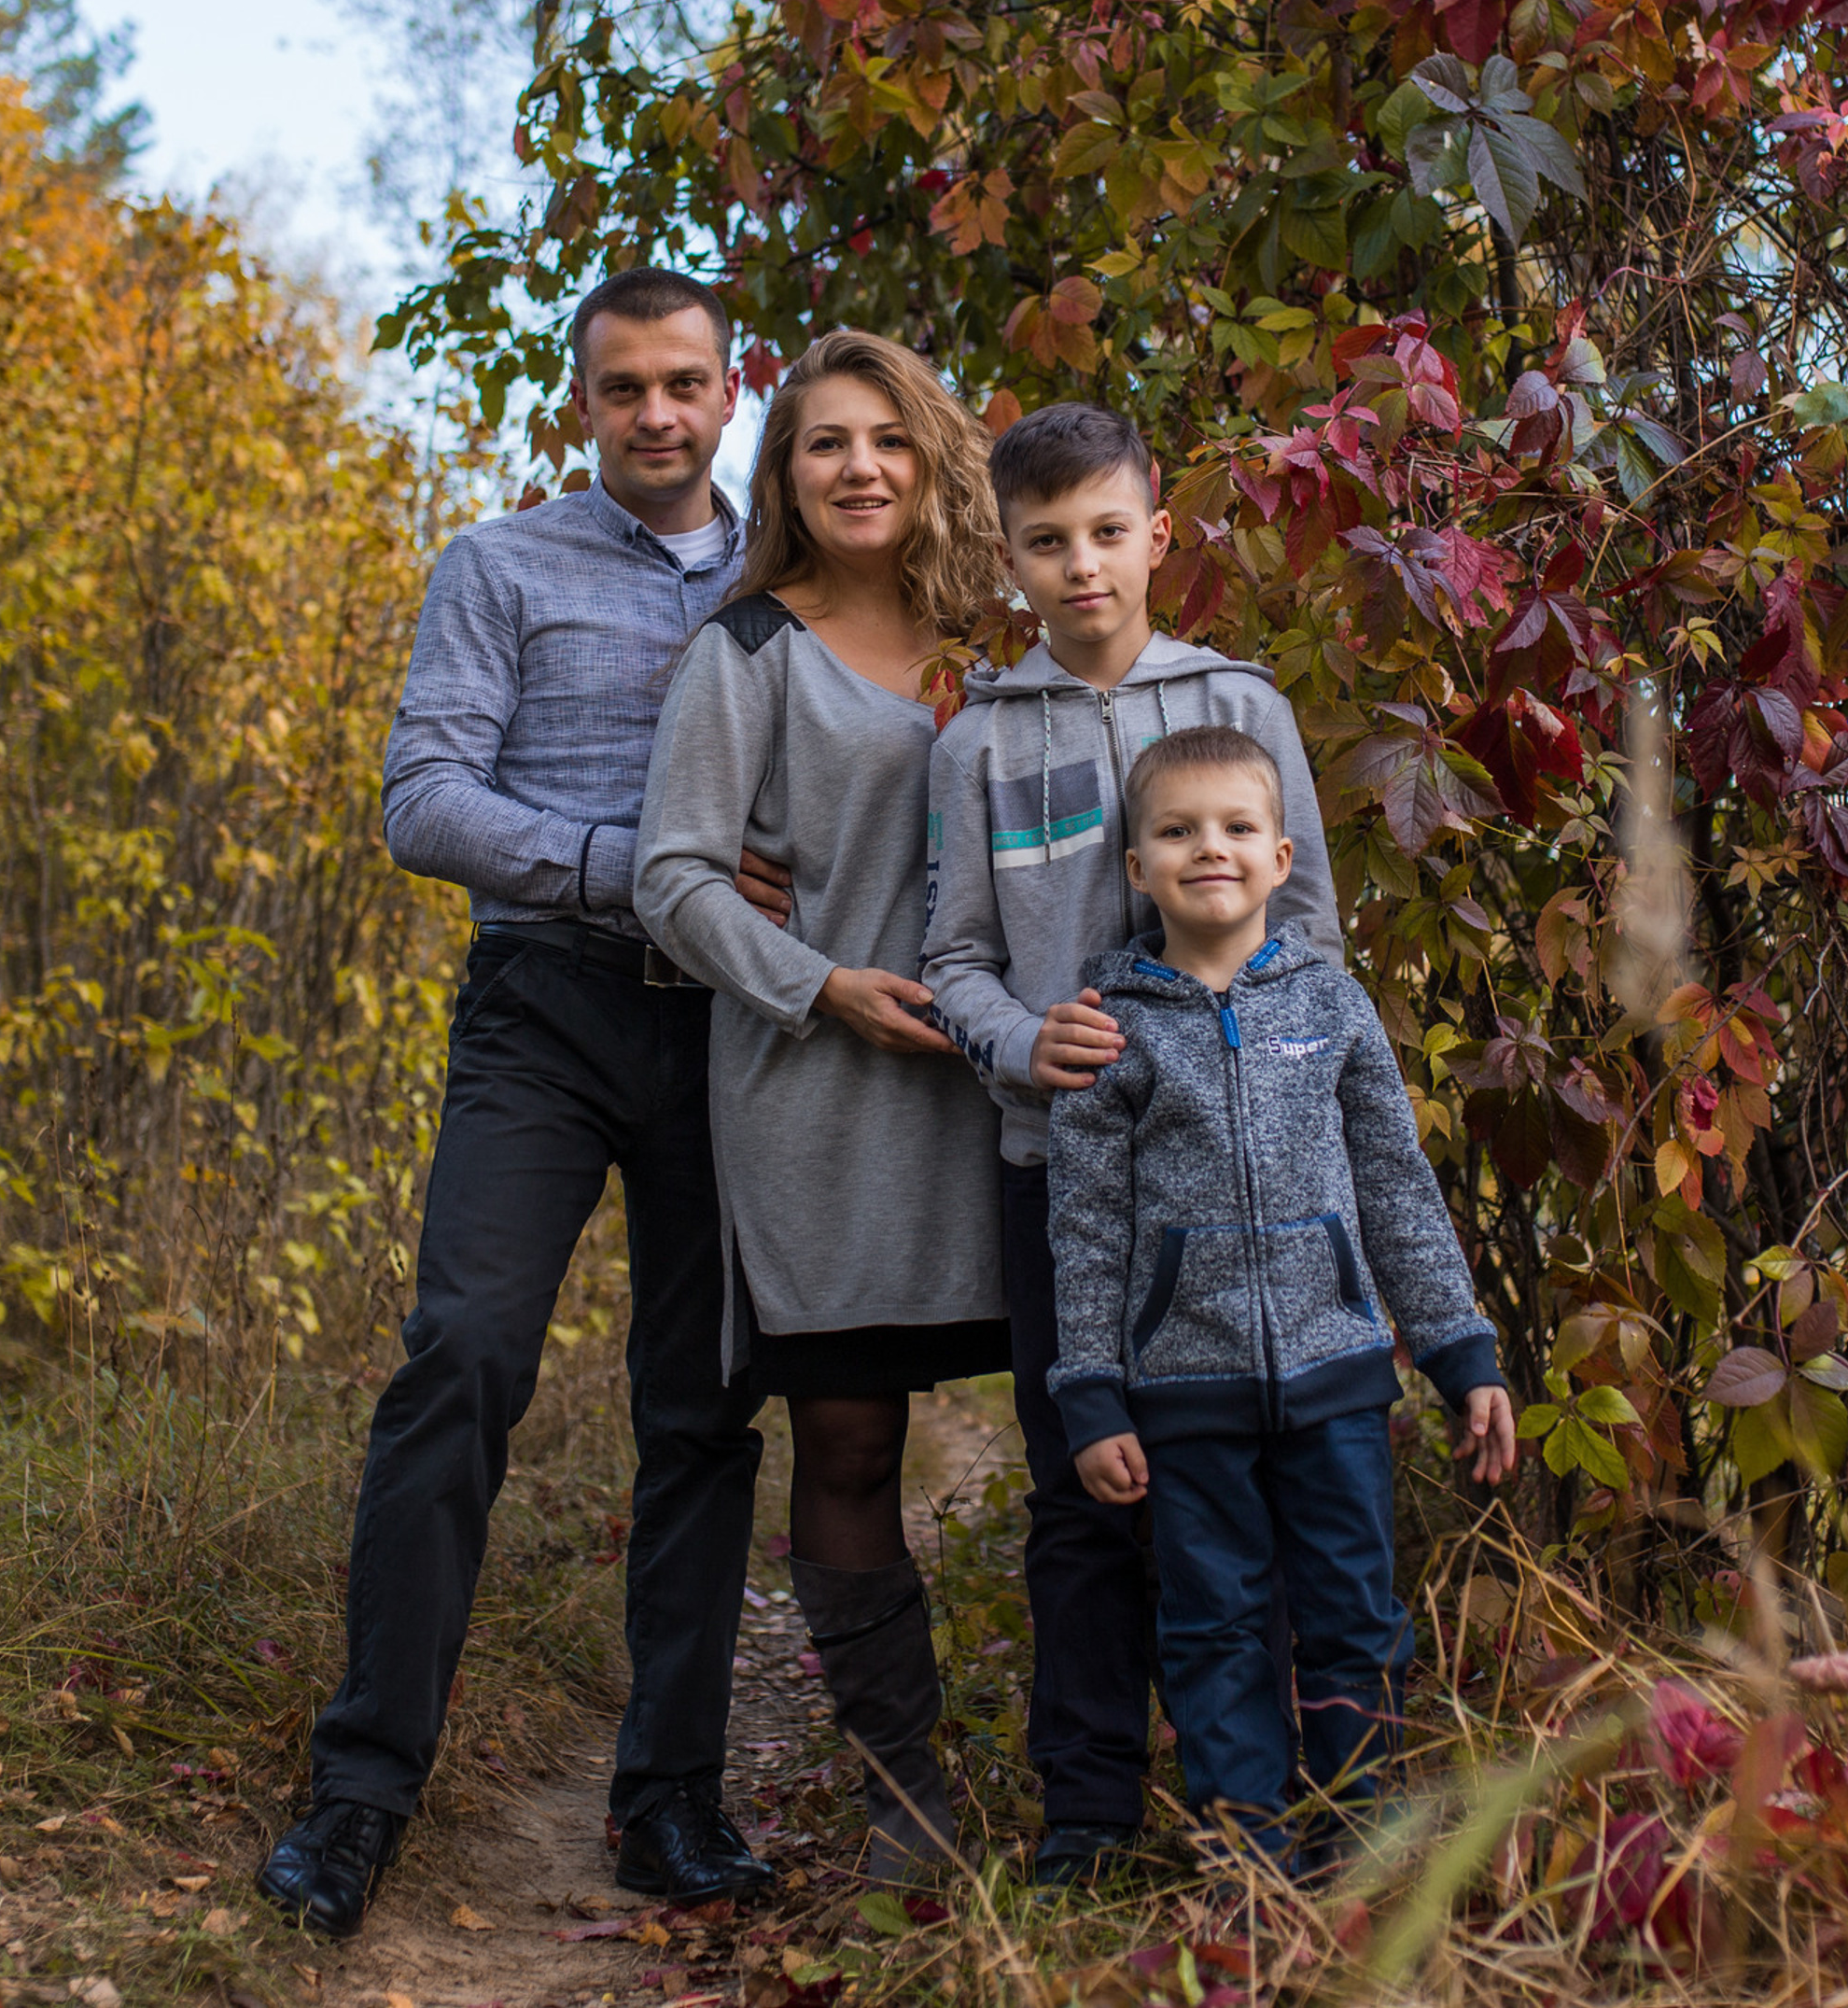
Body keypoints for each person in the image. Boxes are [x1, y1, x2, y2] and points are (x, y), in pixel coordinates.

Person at [259, 270, 792, 1940]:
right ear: (583, 404)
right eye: (624, 386)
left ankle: (670, 1802)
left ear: (729, 396)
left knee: (705, 1406)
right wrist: (643, 875)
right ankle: (360, 1799)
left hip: (736, 1036)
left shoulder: (794, 582)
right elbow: (424, 801)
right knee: (464, 1355)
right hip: (544, 1013)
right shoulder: (500, 566)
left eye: (685, 383)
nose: (656, 413)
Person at [920, 401, 1343, 1885]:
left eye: (1107, 533)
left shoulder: (1243, 706)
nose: (1080, 566)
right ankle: (1090, 1812)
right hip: (1063, 1183)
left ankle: (1279, 1809)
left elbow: (1311, 941)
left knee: (1257, 1492)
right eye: (1047, 542)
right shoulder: (978, 740)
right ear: (1009, 555)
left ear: (1158, 537)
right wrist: (1023, 1038)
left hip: (1242, 1195)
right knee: (1079, 1487)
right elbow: (952, 957)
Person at [634, 329, 1009, 1881]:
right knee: (848, 1445)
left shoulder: (1007, 638)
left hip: (1011, 1100)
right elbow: (672, 877)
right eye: (821, 444)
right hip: (824, 1097)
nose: (857, 467)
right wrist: (821, 982)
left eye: (886, 440)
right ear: (783, 475)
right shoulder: (746, 654)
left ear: (932, 460)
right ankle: (907, 1800)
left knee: (1089, 1422)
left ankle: (1103, 1769)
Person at [1047, 724, 1519, 1874]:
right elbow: (1087, 1228)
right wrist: (1093, 1397)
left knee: (1356, 1619)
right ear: (1136, 867)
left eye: (1235, 828)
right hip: (1185, 1388)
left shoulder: (1335, 1007)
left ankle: (1355, 1848)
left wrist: (1462, 1353)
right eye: (1177, 830)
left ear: (1279, 858)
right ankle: (1245, 1858)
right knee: (1214, 1628)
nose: (1208, 847)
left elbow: (1399, 1192)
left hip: (1337, 1379)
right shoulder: (1110, 1029)